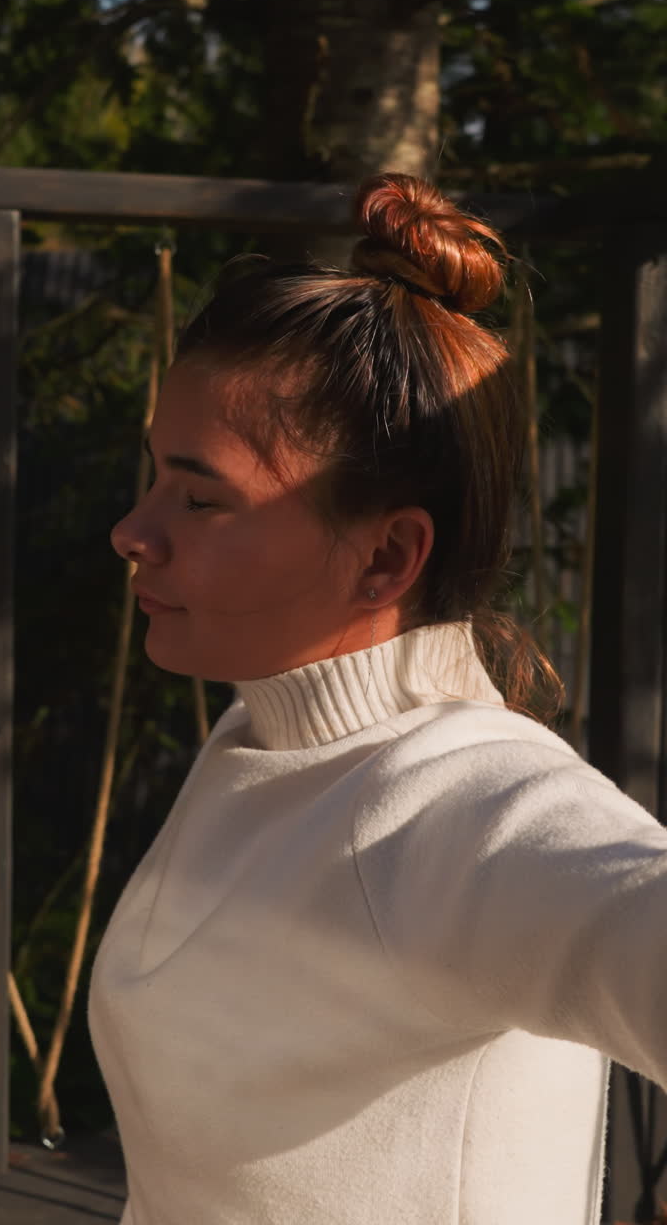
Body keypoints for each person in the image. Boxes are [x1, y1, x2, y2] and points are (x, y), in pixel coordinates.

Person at [89, 173, 667, 1225]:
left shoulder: (468, 807)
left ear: (387, 554)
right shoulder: (264, 729)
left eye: (200, 496)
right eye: (154, 481)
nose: (134, 531)